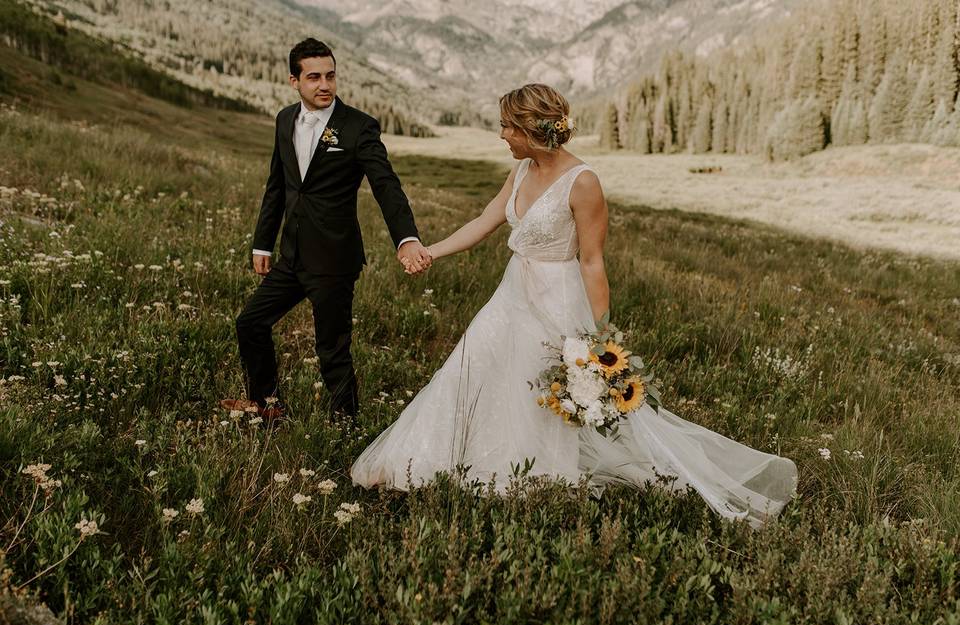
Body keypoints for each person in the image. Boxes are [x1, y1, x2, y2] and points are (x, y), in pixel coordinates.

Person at [351, 84, 797, 528]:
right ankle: (435, 459)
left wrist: (602, 339)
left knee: (538, 388)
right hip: (512, 294)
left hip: (556, 299)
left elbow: (592, 261)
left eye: (507, 126)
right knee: (474, 367)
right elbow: (485, 221)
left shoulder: (583, 183)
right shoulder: (522, 170)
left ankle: (529, 476)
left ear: (530, 129)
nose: (502, 135)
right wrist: (430, 251)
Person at [220, 38, 433, 421]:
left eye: (330, 76)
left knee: (332, 350)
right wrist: (262, 244)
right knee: (250, 323)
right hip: (292, 254)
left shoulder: (358, 127)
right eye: (314, 77)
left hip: (334, 258)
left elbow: (386, 185)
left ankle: (344, 427)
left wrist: (406, 238)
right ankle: (268, 406)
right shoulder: (285, 119)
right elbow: (278, 186)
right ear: (294, 81)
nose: (324, 85)